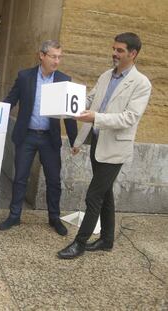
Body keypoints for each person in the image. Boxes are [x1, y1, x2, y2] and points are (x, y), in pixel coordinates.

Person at [58, 32, 152, 259]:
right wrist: (67, 101)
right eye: (114, 49)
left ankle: (79, 243)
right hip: (98, 143)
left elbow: (129, 117)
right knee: (105, 193)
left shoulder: (141, 83)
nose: (114, 54)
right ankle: (107, 240)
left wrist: (95, 118)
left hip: (115, 149)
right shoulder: (105, 76)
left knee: (93, 195)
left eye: (120, 50)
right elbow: (90, 100)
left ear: (133, 53)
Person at [0, 40, 78, 235]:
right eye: (53, 56)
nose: (57, 61)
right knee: (20, 178)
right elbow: (10, 100)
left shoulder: (63, 79)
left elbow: (69, 114)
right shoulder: (25, 77)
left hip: (49, 139)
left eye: (60, 57)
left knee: (53, 180)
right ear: (41, 55)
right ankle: (14, 216)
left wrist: (75, 140)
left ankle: (54, 218)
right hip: (27, 136)